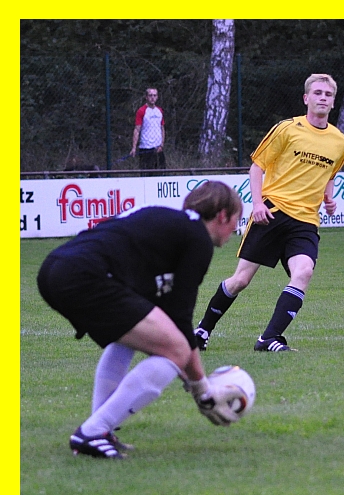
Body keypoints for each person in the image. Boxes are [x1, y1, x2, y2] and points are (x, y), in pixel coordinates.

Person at [37, 181, 245, 459]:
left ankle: (99, 430)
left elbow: (165, 316)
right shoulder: (196, 237)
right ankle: (93, 431)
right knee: (176, 350)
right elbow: (181, 322)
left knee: (131, 339)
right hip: (83, 274)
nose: (236, 228)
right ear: (222, 215)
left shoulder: (172, 228)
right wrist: (201, 388)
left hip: (55, 269)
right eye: (236, 219)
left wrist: (193, 376)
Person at [194, 73, 344, 352]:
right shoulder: (287, 129)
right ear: (306, 98)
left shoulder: (340, 142)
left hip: (305, 221)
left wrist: (330, 198)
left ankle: (269, 338)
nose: (322, 98)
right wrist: (257, 204)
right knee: (240, 280)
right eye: (317, 93)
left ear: (333, 102)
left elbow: (330, 174)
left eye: (328, 94)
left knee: (303, 272)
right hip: (272, 212)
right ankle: (203, 330)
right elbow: (257, 167)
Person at [131, 87, 166, 170]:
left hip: (158, 149)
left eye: (154, 95)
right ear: (146, 97)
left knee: (161, 173)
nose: (152, 97)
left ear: (157, 97)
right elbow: (137, 129)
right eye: (150, 95)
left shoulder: (159, 111)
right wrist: (134, 147)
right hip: (146, 148)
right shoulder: (141, 111)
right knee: (146, 174)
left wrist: (161, 144)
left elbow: (162, 128)